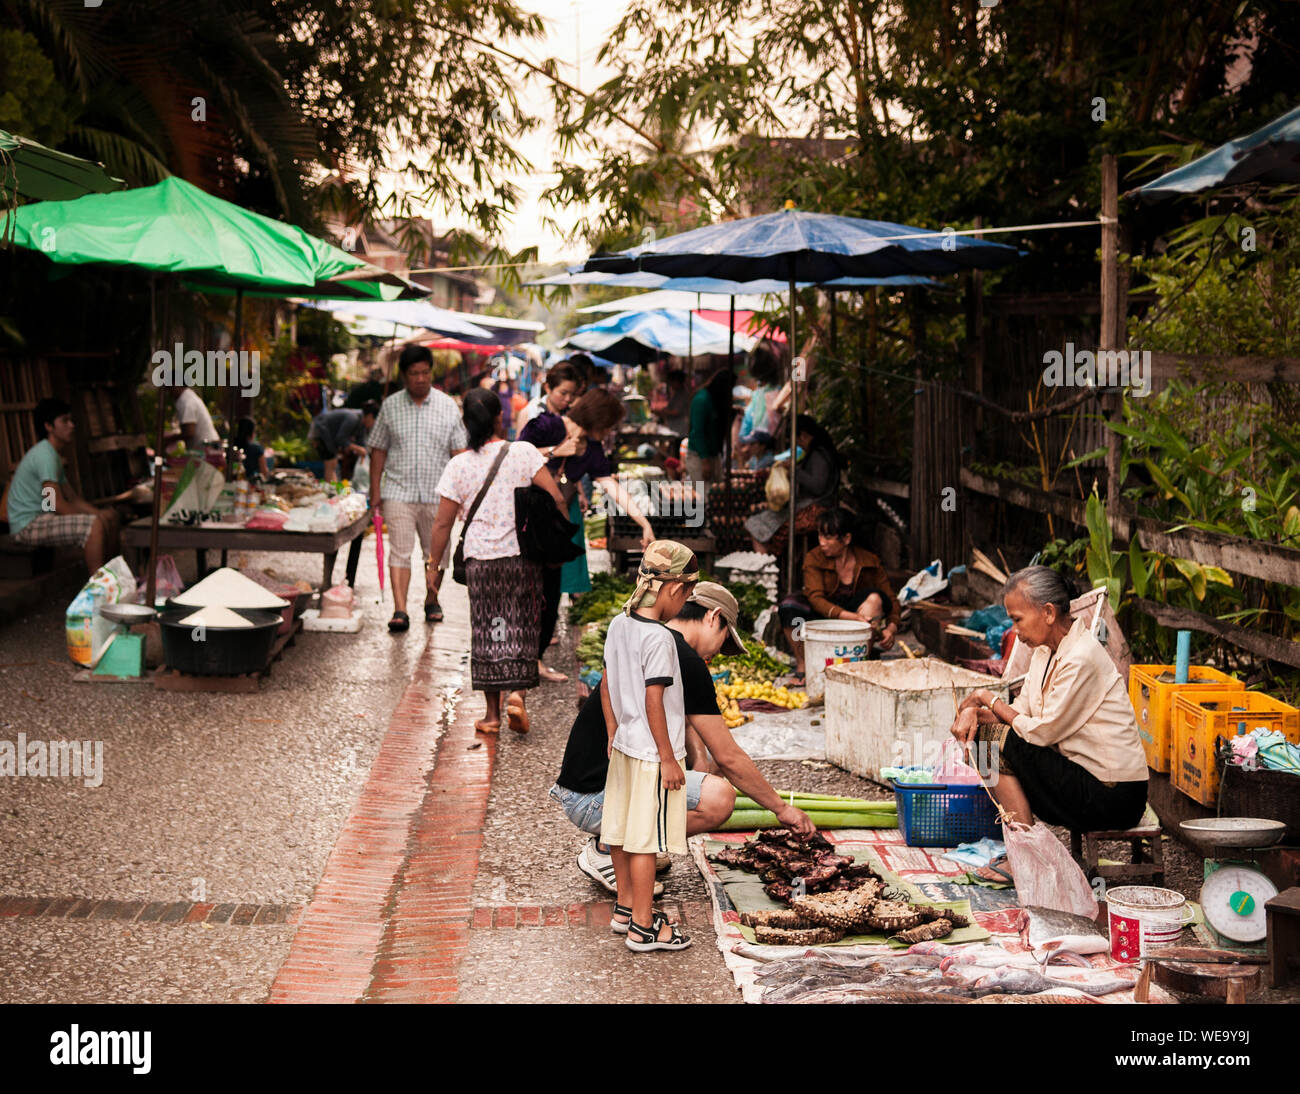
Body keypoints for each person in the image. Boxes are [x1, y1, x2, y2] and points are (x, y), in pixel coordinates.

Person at [552, 581, 816, 898]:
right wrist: (781, 809)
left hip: (581, 789)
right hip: (596, 798)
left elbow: (676, 714)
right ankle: (610, 847)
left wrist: (699, 758)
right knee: (720, 797)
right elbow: (729, 757)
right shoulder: (686, 660)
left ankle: (627, 843)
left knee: (702, 778)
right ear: (712, 616)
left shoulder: (653, 639)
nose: (718, 651)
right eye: (723, 639)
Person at [950, 565, 1149, 831]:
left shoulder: (1082, 656)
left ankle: (1025, 853)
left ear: (1048, 613)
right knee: (983, 740)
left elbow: (1041, 732)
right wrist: (974, 715)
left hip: (1114, 795)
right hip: (1081, 780)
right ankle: (1023, 850)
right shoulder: (1044, 653)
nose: (1014, 630)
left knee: (994, 738)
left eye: (1018, 619)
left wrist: (984, 697)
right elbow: (1021, 711)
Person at [425, 388, 567, 734]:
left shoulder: (459, 465)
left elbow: (442, 523)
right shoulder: (522, 452)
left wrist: (434, 569)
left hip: (481, 562)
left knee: (488, 629)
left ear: (466, 424)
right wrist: (554, 544)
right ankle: (517, 694)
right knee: (521, 624)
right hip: (521, 557)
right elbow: (556, 499)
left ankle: (491, 715)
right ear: (498, 419)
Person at [598, 541, 698, 952]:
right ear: (673, 588)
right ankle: (643, 926)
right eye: (688, 593)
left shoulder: (619, 624)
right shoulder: (661, 639)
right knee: (646, 839)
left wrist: (612, 732)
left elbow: (605, 684)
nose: (686, 602)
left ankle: (624, 908)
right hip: (651, 755)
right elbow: (654, 699)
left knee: (620, 831)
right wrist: (669, 758)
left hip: (624, 745)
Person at [519, 388, 654, 682]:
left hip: (554, 527)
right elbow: (513, 455)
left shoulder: (592, 450)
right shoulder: (547, 425)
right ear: (597, 419)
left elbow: (611, 487)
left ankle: (536, 660)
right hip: (523, 520)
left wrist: (644, 523)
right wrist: (555, 452)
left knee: (550, 595)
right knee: (526, 591)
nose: (608, 432)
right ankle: (518, 661)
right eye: (608, 425)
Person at [367, 345, 468, 632]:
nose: (421, 379)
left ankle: (431, 599)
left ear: (431, 373)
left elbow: (459, 453)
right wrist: (375, 490)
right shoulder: (390, 405)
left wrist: (462, 495)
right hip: (398, 491)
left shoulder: (447, 405)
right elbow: (378, 451)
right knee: (399, 551)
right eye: (414, 374)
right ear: (403, 375)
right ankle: (399, 609)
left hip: (439, 494)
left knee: (436, 553)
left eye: (425, 372)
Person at [777, 508, 900, 682]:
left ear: (847, 539)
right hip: (823, 614)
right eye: (820, 536)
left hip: (856, 620)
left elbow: (891, 599)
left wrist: (891, 629)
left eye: (827, 537)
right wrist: (852, 617)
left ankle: (860, 661)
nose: (822, 543)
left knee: (875, 599)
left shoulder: (869, 561)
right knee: (789, 606)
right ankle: (804, 665)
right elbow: (815, 598)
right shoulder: (814, 558)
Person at [5, 399, 119, 573]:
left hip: (41, 519)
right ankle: (99, 587)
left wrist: (99, 513)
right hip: (28, 526)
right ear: (49, 427)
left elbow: (72, 498)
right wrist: (96, 518)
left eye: (71, 420)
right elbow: (55, 504)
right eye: (65, 421)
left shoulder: (52, 455)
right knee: (93, 525)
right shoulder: (45, 456)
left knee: (109, 517)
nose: (72, 425)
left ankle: (113, 575)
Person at [745, 412, 840, 559]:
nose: (798, 445)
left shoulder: (818, 455)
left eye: (797, 440)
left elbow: (817, 486)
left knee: (755, 524)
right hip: (812, 503)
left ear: (803, 436)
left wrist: (794, 470)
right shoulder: (819, 453)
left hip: (816, 507)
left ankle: (765, 570)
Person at [684, 368, 734, 483]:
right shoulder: (702, 400)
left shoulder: (712, 399)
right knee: (704, 497)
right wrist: (705, 461)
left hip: (712, 454)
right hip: (700, 457)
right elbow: (697, 432)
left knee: (715, 495)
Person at [308, 401, 378, 482]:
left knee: (333, 464)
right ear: (370, 416)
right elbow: (340, 439)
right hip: (320, 431)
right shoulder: (353, 418)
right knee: (331, 463)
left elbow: (361, 443)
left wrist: (364, 454)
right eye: (374, 421)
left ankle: (332, 488)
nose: (373, 425)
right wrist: (357, 449)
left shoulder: (361, 424)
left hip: (329, 436)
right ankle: (331, 490)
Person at [518, 361, 579, 428]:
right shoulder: (531, 412)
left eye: (573, 394)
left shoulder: (572, 416)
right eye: (563, 393)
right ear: (548, 388)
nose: (568, 399)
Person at [163, 383, 220, 452]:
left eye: (169, 387)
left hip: (207, 449)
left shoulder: (186, 401)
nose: (168, 392)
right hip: (206, 447)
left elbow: (189, 432)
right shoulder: (187, 397)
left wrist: (169, 439)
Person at [651, 368, 691, 437]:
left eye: (671, 382)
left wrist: (661, 412)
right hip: (675, 429)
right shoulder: (677, 394)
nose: (670, 384)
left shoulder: (683, 394)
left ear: (677, 381)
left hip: (680, 430)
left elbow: (676, 412)